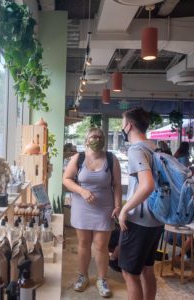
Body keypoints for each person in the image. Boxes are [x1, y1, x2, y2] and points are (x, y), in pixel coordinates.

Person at [63, 127, 122, 298]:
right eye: (93, 136)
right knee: (83, 244)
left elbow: (117, 185)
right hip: (82, 208)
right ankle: (83, 276)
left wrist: (118, 206)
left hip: (105, 208)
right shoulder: (78, 158)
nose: (96, 139)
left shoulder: (111, 159)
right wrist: (82, 191)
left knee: (101, 246)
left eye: (99, 136)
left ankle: (102, 279)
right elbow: (66, 179)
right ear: (86, 140)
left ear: (104, 140)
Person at [118, 107, 164, 300]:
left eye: (122, 123)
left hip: (139, 221)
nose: (122, 127)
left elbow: (147, 185)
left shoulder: (136, 150)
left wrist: (125, 209)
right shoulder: (153, 147)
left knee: (130, 274)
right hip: (156, 219)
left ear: (129, 125)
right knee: (147, 270)